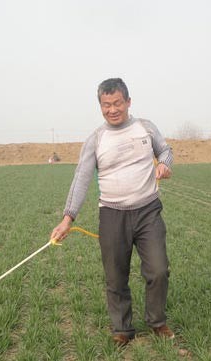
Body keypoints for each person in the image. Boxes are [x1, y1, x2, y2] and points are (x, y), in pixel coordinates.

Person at [50, 78, 174, 346]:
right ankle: (122, 329)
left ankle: (157, 321)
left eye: (117, 103)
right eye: (106, 105)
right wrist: (67, 218)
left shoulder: (145, 128)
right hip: (112, 215)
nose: (112, 109)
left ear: (128, 102)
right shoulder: (96, 139)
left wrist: (164, 163)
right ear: (101, 107)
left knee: (158, 270)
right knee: (116, 275)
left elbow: (165, 150)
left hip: (148, 211)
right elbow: (81, 178)